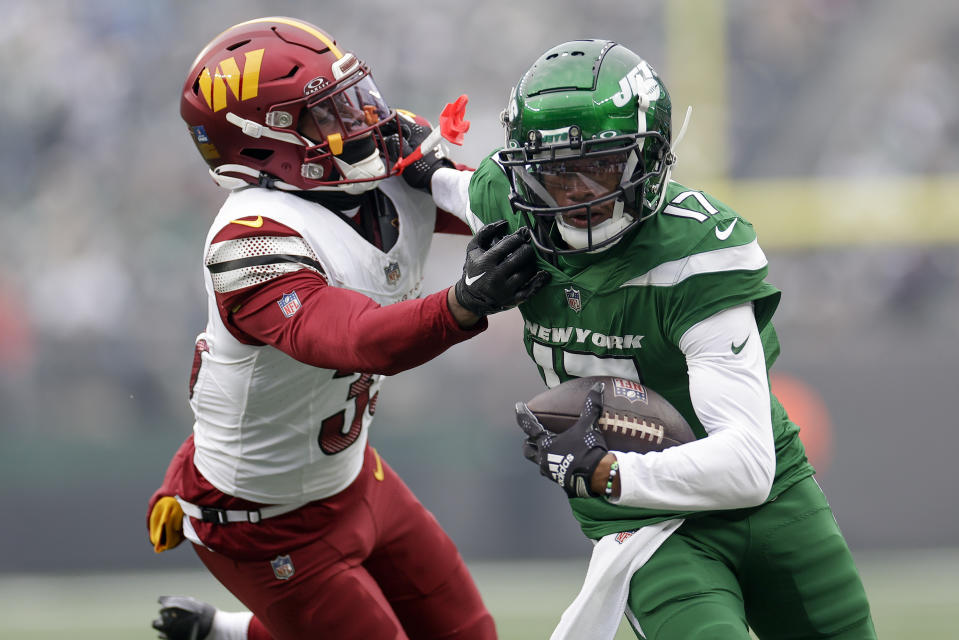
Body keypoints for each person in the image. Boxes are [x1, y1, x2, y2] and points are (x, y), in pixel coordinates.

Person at [428, 40, 877, 639]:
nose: (581, 194)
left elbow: (746, 466)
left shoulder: (696, 254)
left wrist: (610, 472)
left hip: (770, 506)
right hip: (649, 525)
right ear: (527, 173)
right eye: (558, 174)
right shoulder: (512, 212)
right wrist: (401, 154)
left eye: (602, 166)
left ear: (652, 158)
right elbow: (439, 182)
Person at [145, 17, 548, 640]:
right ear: (262, 141)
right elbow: (358, 339)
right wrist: (465, 302)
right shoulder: (249, 239)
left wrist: (445, 178)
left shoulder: (371, 169)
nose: (364, 121)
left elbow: (507, 214)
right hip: (260, 517)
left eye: (355, 98)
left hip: (354, 474)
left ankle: (225, 632)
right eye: (329, 113)